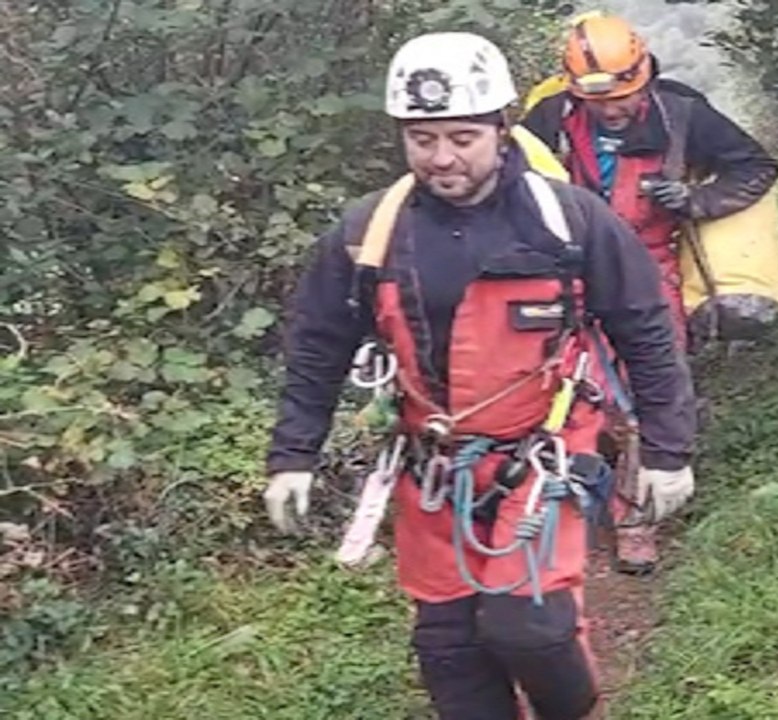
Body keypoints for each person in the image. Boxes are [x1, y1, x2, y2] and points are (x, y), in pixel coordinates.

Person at [261, 31, 697, 720]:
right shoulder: (369, 235)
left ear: (502, 128)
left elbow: (645, 331)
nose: (442, 158)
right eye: (422, 139)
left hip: (546, 457)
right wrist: (292, 457)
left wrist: (668, 452)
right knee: (451, 653)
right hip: (434, 468)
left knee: (531, 629)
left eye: (462, 138)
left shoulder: (569, 222)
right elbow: (317, 347)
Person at [521, 13, 778, 574]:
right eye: (599, 101)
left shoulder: (682, 114)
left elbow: (756, 167)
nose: (612, 110)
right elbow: (511, 182)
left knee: (648, 386)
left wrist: (695, 201)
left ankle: (636, 519)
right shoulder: (551, 119)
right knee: (561, 386)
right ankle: (554, 502)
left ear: (644, 77)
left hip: (649, 267)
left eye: (623, 97)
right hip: (569, 270)